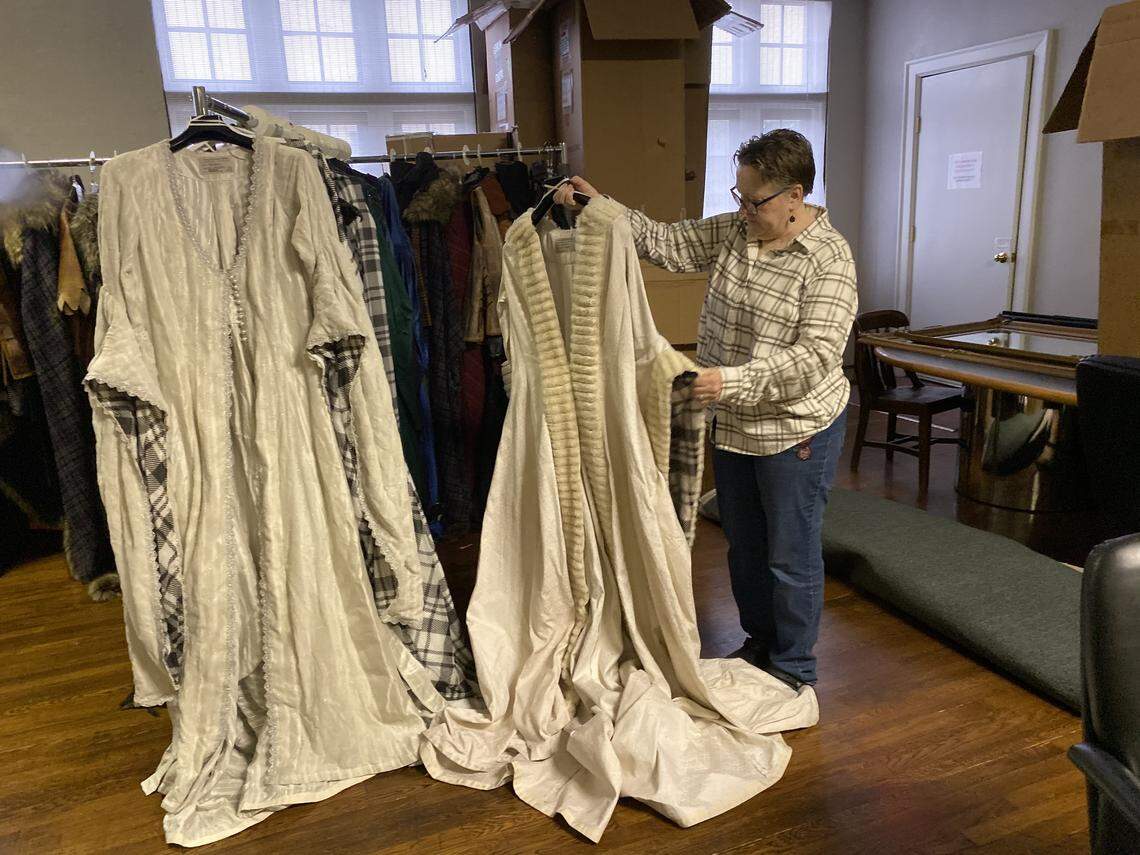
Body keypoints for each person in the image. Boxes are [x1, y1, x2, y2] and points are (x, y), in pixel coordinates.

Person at [554, 128, 857, 690]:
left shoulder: (828, 261)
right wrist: (601, 207)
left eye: (754, 199)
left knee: (789, 554)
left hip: (795, 429)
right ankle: (759, 644)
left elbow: (815, 357)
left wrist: (729, 381)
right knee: (744, 545)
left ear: (795, 195)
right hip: (733, 421)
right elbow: (667, 242)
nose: (742, 209)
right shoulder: (736, 230)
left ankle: (794, 668)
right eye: (738, 195)